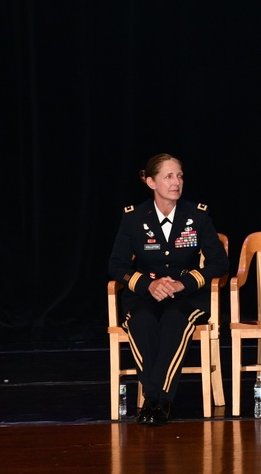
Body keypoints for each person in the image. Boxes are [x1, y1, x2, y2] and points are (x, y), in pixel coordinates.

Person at [108, 153, 228, 426]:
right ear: (151, 182)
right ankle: (156, 398)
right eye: (169, 176)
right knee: (141, 321)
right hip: (145, 295)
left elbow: (219, 263)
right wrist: (148, 284)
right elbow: (117, 265)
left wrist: (182, 283)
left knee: (175, 320)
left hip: (186, 297)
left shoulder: (197, 215)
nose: (177, 182)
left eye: (180, 175)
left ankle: (157, 400)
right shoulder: (134, 218)